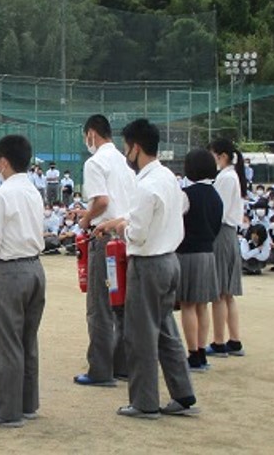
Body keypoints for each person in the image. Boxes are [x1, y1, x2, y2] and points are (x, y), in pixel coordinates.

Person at [97, 118, 198, 419]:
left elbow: (137, 233)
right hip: (170, 261)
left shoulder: (145, 184)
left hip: (148, 264)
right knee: (166, 330)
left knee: (140, 334)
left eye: (127, 148)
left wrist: (121, 228)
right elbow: (178, 208)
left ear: (135, 148)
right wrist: (121, 222)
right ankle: (183, 394)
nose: (127, 154)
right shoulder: (167, 177)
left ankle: (144, 402)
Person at [0, 134, 46, 428]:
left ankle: (6, 411)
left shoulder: (1, 195)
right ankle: (27, 404)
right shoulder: (33, 191)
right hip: (35, 269)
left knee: (5, 342)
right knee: (27, 340)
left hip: (9, 271)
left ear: (3, 162)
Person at [74, 114, 136, 387]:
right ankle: (121, 364)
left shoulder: (95, 161)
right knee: (120, 303)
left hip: (104, 237)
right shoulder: (124, 162)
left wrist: (86, 220)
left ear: (92, 134)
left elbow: (101, 201)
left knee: (99, 306)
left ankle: (100, 369)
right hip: (125, 236)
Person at [175, 149, 222, 373]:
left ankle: (192, 353)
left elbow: (177, 223)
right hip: (208, 253)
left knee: (187, 305)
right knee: (203, 305)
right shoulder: (215, 195)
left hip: (188, 254)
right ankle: (201, 352)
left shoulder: (187, 194)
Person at [207, 138, 246, 358]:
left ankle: (220, 342)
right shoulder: (231, 176)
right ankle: (234, 340)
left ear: (221, 156)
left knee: (220, 293)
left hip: (222, 233)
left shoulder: (225, 178)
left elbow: (217, 211)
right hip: (229, 234)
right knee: (227, 294)